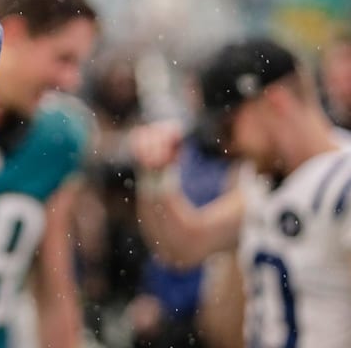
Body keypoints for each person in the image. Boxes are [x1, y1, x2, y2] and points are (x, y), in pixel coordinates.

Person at [130, 36, 351, 348]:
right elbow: (183, 247)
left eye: (227, 128)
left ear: (275, 102)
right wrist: (156, 177)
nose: (225, 147)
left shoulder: (342, 184)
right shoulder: (263, 181)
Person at [0, 0, 99, 348]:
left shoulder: (56, 139)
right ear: (12, 34)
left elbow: (54, 288)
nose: (71, 80)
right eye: (62, 58)